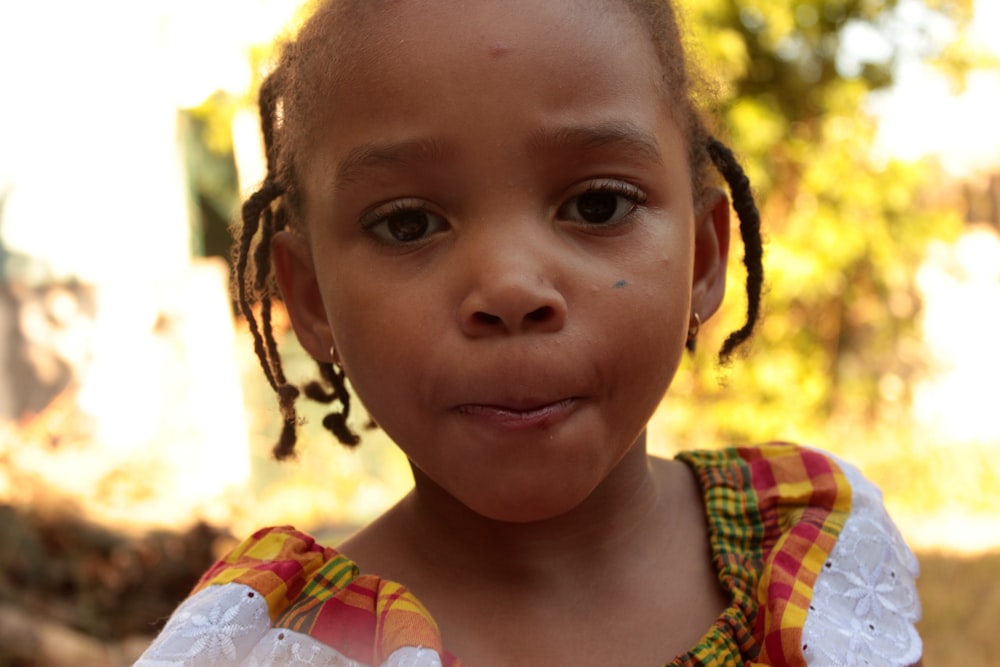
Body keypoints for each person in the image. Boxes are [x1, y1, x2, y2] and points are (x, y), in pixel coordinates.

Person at [135, 0, 923, 664]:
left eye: (597, 205)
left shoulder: (810, 559)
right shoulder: (282, 644)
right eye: (408, 222)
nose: (511, 289)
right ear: (308, 296)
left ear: (703, 257)